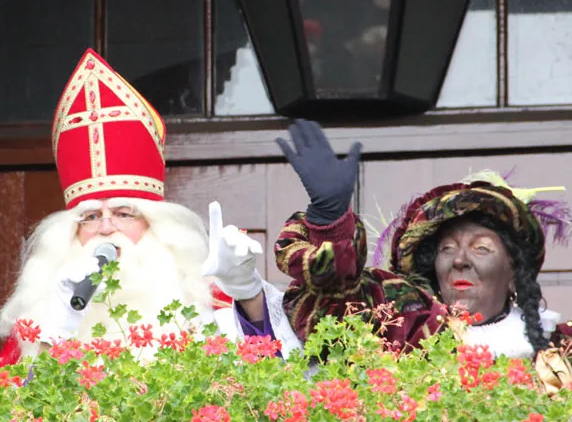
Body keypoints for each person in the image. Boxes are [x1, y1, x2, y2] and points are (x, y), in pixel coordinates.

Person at [0, 49, 301, 367]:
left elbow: (272, 381)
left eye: (124, 213)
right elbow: (7, 406)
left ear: (158, 225)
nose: (106, 227)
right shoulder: (44, 313)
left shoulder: (204, 297)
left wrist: (247, 293)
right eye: (91, 217)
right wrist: (56, 331)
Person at [209, 119, 572, 360]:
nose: (460, 260)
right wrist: (330, 221)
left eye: (481, 248)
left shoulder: (560, 347)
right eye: (447, 248)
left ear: (514, 271)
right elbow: (336, 307)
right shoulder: (404, 325)